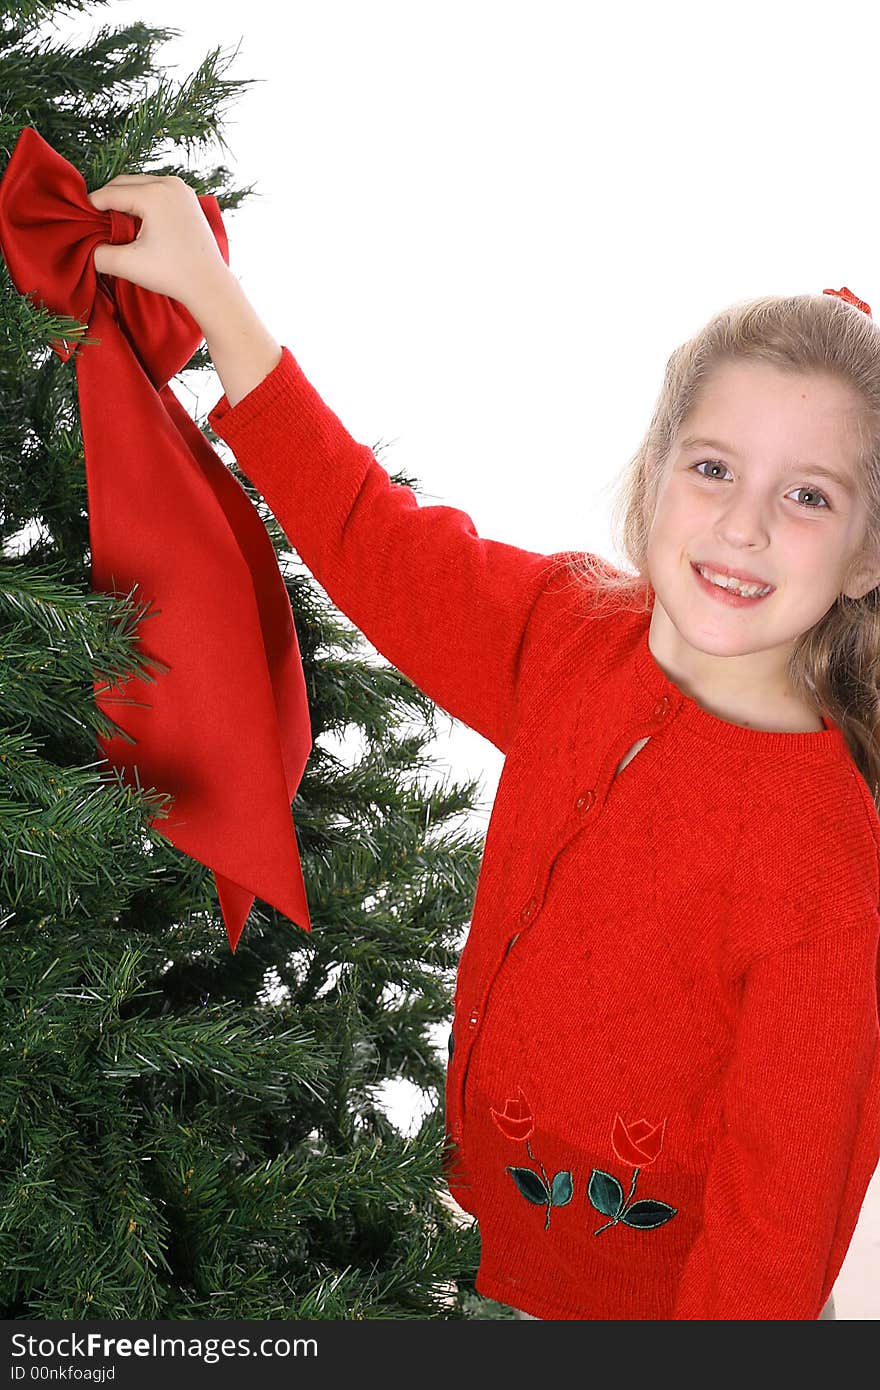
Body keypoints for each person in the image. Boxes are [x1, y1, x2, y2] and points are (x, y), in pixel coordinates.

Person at [85, 173, 880, 1320]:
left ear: (865, 557)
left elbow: (773, 1239)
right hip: (448, 1266)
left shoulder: (829, 872)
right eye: (713, 467)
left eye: (807, 496)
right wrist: (215, 300)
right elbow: (374, 536)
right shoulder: (566, 634)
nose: (743, 524)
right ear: (655, 471)